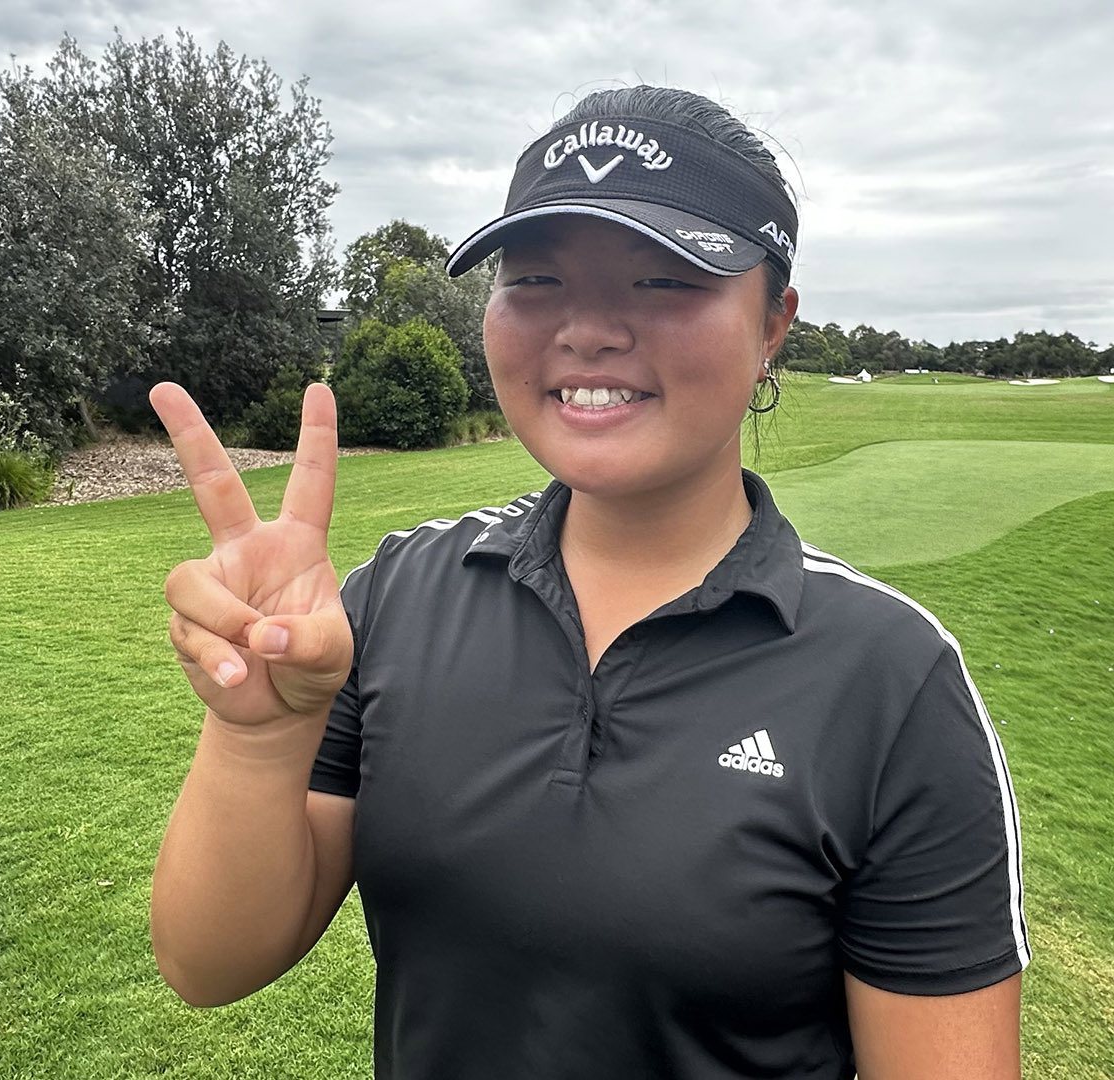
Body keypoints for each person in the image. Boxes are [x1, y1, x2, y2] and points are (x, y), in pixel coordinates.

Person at [148, 85, 1029, 1079]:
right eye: (534, 278)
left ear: (774, 322)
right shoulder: (396, 596)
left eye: (663, 280)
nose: (589, 330)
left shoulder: (892, 680)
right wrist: (257, 735)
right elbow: (207, 963)